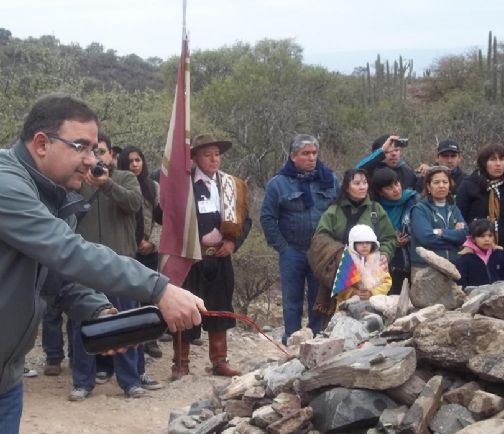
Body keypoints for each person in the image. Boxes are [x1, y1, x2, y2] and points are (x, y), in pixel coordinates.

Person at [0, 94, 205, 434]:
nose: (91, 160)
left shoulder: (58, 196)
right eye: (81, 147)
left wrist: (99, 310)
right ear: (41, 143)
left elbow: (57, 275)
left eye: (95, 149)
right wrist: (159, 288)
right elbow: (67, 251)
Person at [68, 133, 161, 401]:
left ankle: (130, 381)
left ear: (112, 155)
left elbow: (133, 204)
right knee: (82, 323)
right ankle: (82, 382)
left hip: (121, 265)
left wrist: (107, 184)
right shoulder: (77, 181)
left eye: (103, 152)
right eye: (93, 152)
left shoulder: (125, 178)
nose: (98, 157)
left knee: (126, 323)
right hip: (85, 263)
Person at [170, 134, 252, 381]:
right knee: (186, 308)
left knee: (220, 307)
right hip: (190, 259)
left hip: (220, 258)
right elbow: (166, 217)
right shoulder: (183, 186)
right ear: (194, 158)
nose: (214, 159)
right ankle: (181, 363)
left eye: (217, 154)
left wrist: (232, 242)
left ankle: (219, 361)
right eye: (207, 154)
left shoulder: (231, 185)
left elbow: (245, 220)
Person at [260, 134, 339, 344]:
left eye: (314, 153)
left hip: (321, 252)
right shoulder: (278, 184)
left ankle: (316, 339)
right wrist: (282, 247)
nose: (311, 158)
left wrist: (334, 245)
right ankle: (291, 341)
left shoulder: (330, 179)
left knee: (319, 298)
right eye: (305, 154)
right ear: (293, 156)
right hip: (292, 251)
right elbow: (267, 218)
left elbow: (340, 213)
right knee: (291, 300)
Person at [309, 168, 396, 322]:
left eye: (365, 182)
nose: (362, 186)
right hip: (341, 271)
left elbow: (389, 238)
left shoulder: (376, 211)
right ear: (347, 187)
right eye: (356, 183)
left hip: (372, 270)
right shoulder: (334, 211)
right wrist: (342, 255)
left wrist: (385, 254)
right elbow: (320, 238)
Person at [456, 144, 504, 276]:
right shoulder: (469, 185)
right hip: (474, 253)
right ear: (484, 162)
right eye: (492, 159)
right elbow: (459, 218)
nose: (498, 164)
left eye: (502, 159)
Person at [118, 145, 164, 358]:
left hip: (149, 250)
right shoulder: (118, 185)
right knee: (128, 298)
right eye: (130, 161)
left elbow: (161, 219)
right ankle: (130, 340)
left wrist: (151, 242)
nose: (135, 165)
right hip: (126, 249)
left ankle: (151, 338)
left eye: (138, 160)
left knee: (149, 295)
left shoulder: (153, 187)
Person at [370, 167, 418, 294]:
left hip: (414, 261)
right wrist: (392, 240)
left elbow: (424, 229)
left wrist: (409, 238)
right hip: (390, 265)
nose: (396, 189)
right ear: (380, 192)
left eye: (397, 184)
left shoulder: (414, 200)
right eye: (389, 188)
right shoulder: (375, 209)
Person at [410, 166, 468, 268]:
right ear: (428, 186)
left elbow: (464, 235)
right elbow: (426, 238)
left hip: (454, 265)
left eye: (445, 182)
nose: (441, 186)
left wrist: (441, 232)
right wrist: (454, 242)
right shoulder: (419, 209)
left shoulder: (453, 208)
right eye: (436, 182)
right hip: (427, 268)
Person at [332, 224, 392, 305]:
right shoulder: (348, 261)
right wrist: (354, 292)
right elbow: (340, 289)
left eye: (368, 242)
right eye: (360, 243)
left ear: (373, 244)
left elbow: (387, 282)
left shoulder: (377, 260)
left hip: (373, 304)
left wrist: (372, 292)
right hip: (348, 306)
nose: (364, 246)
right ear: (353, 244)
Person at [455, 218, 504, 287]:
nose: (487, 239)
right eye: (482, 236)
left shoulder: (498, 254)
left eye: (490, 236)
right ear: (473, 239)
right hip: (474, 296)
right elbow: (461, 284)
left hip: (498, 295)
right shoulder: (464, 259)